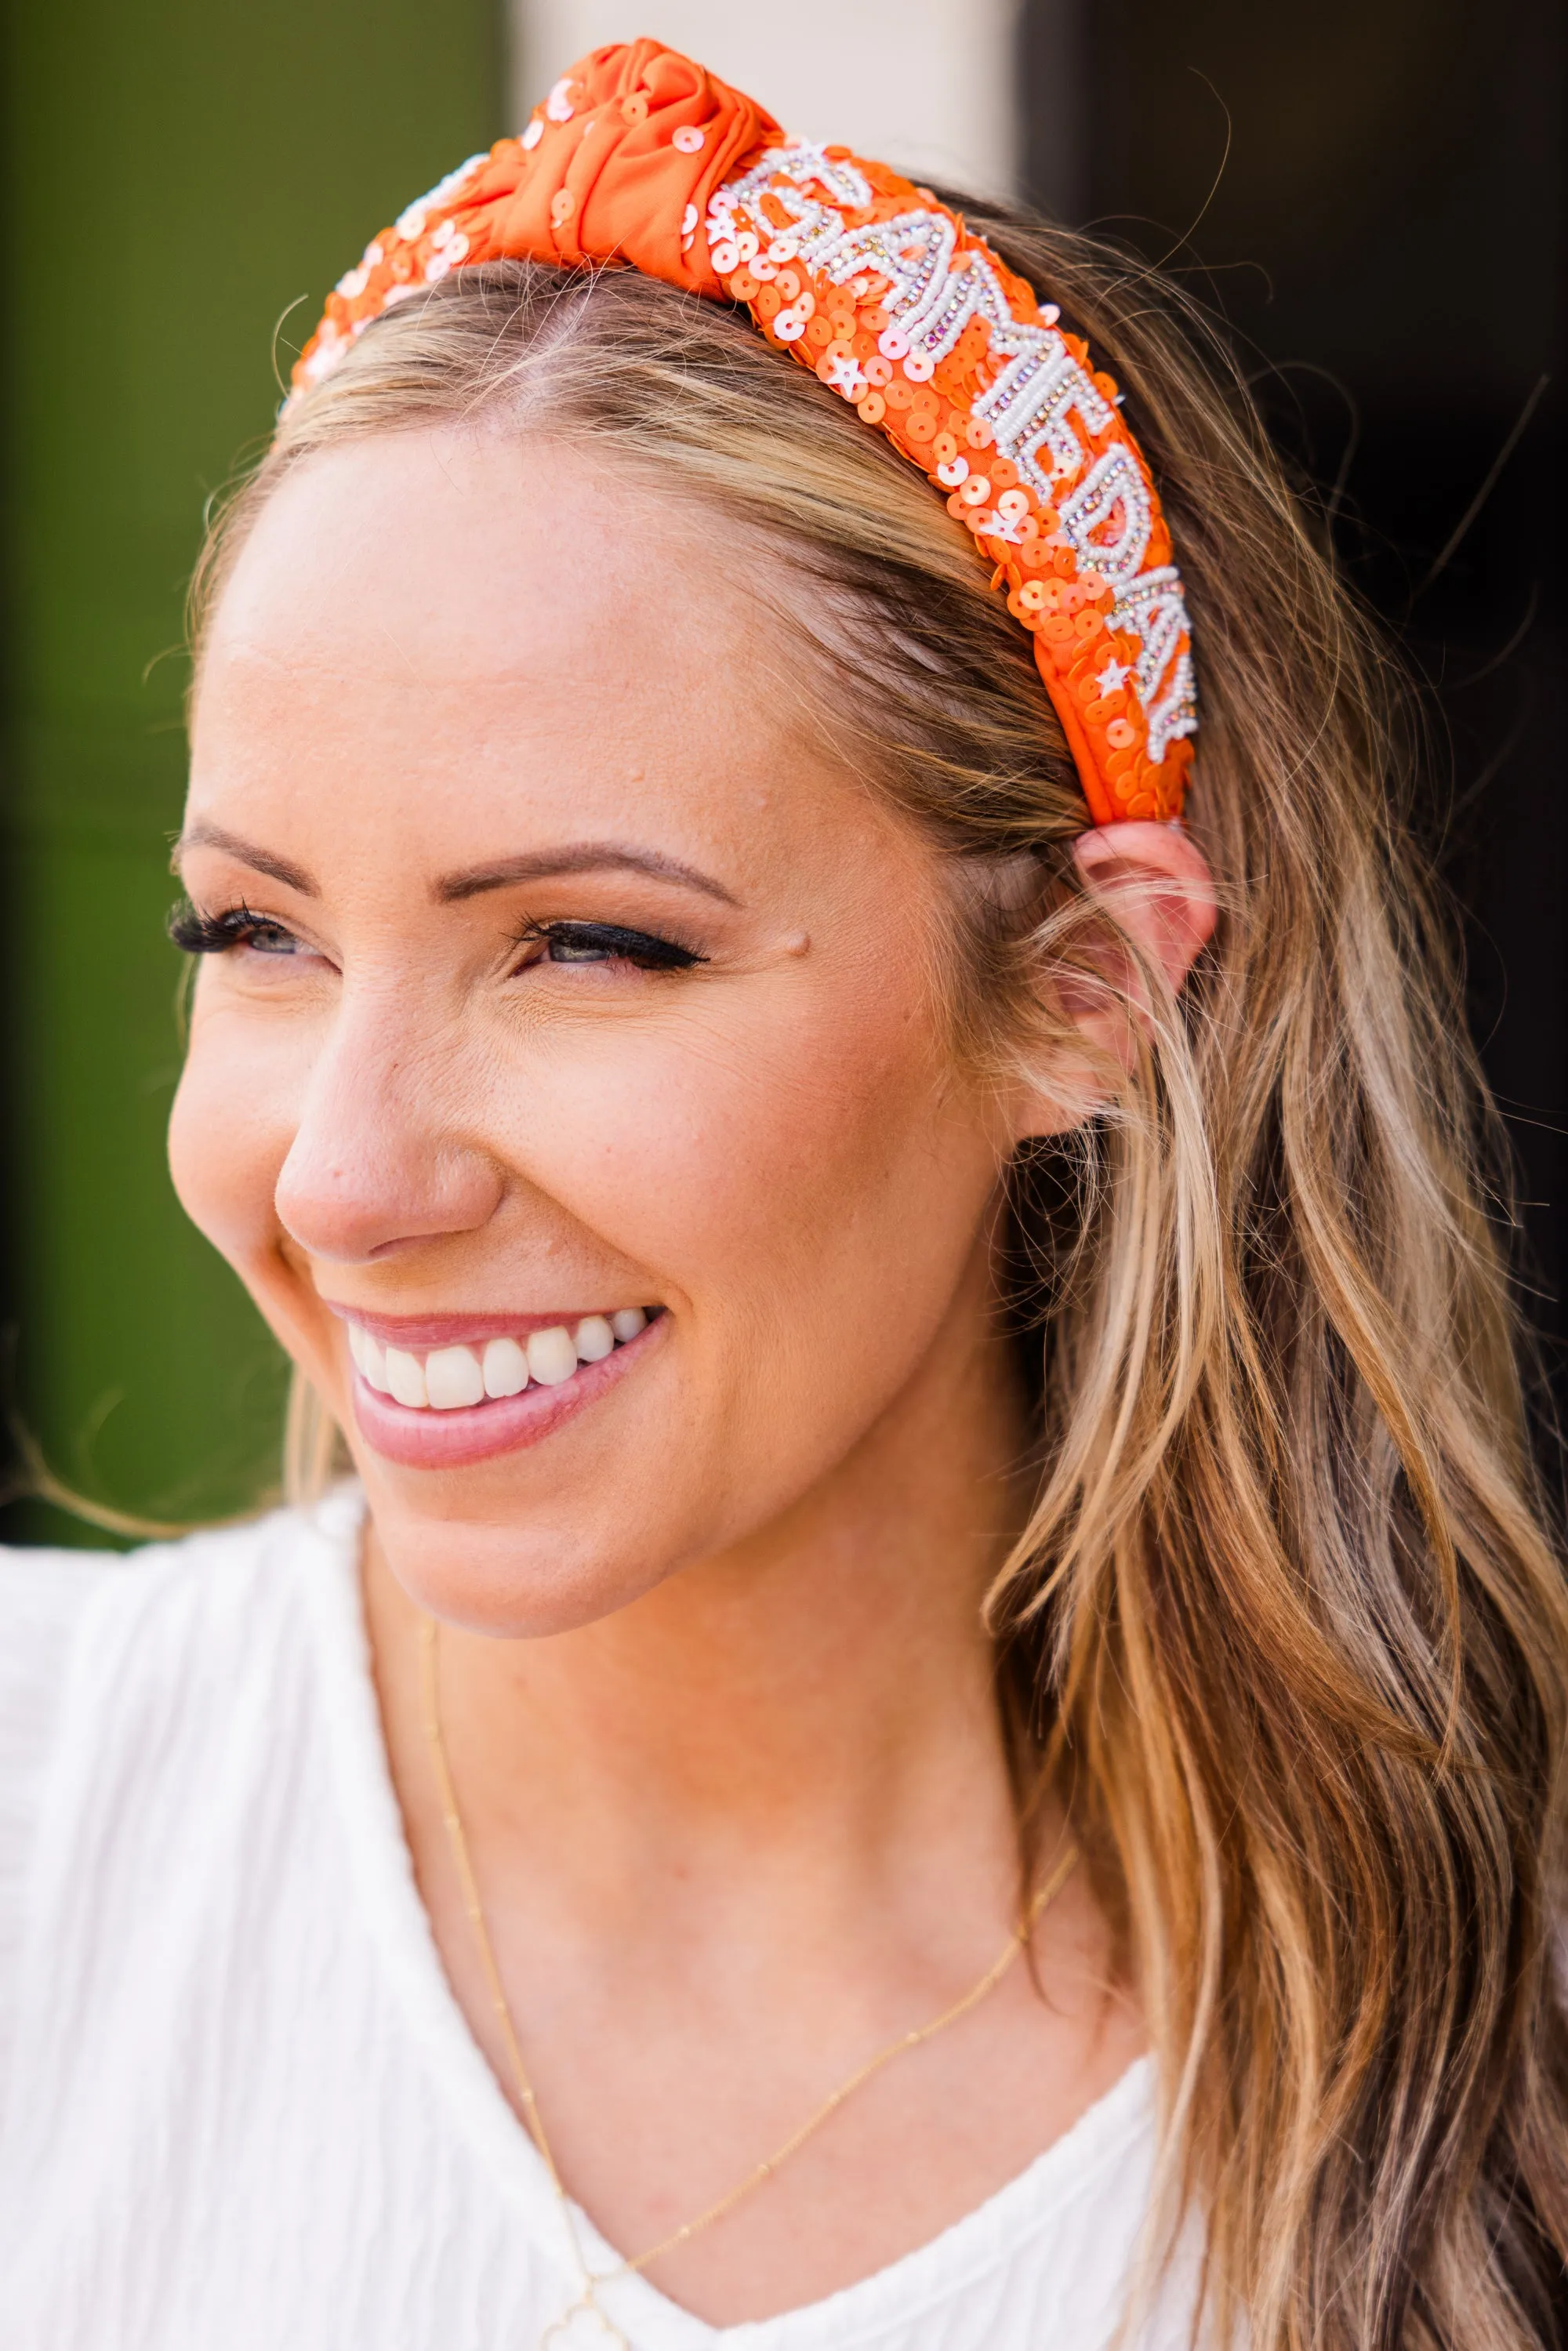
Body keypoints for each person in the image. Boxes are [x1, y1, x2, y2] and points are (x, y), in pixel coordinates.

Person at [2, 37, 1565, 2351]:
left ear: (1077, 989)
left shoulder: (1486, 2095)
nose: (343, 1172)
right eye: (255, 932)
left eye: (590, 944)